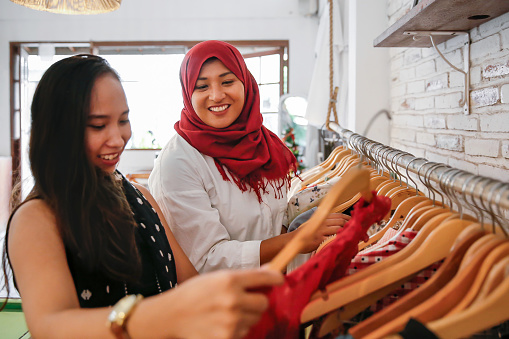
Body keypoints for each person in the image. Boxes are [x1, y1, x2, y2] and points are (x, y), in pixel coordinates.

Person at [1, 54, 284, 339]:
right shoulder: (36, 219)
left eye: (123, 120)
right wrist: (166, 314)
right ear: (56, 132)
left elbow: (188, 282)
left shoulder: (140, 198)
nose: (118, 138)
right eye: (99, 125)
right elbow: (51, 327)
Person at [149, 40, 350, 273]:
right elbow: (204, 261)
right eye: (202, 87)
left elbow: (272, 221)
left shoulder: (263, 144)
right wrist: (295, 240)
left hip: (275, 288)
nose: (216, 95)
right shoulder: (178, 163)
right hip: (225, 302)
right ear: (187, 93)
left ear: (245, 83)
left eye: (227, 82)